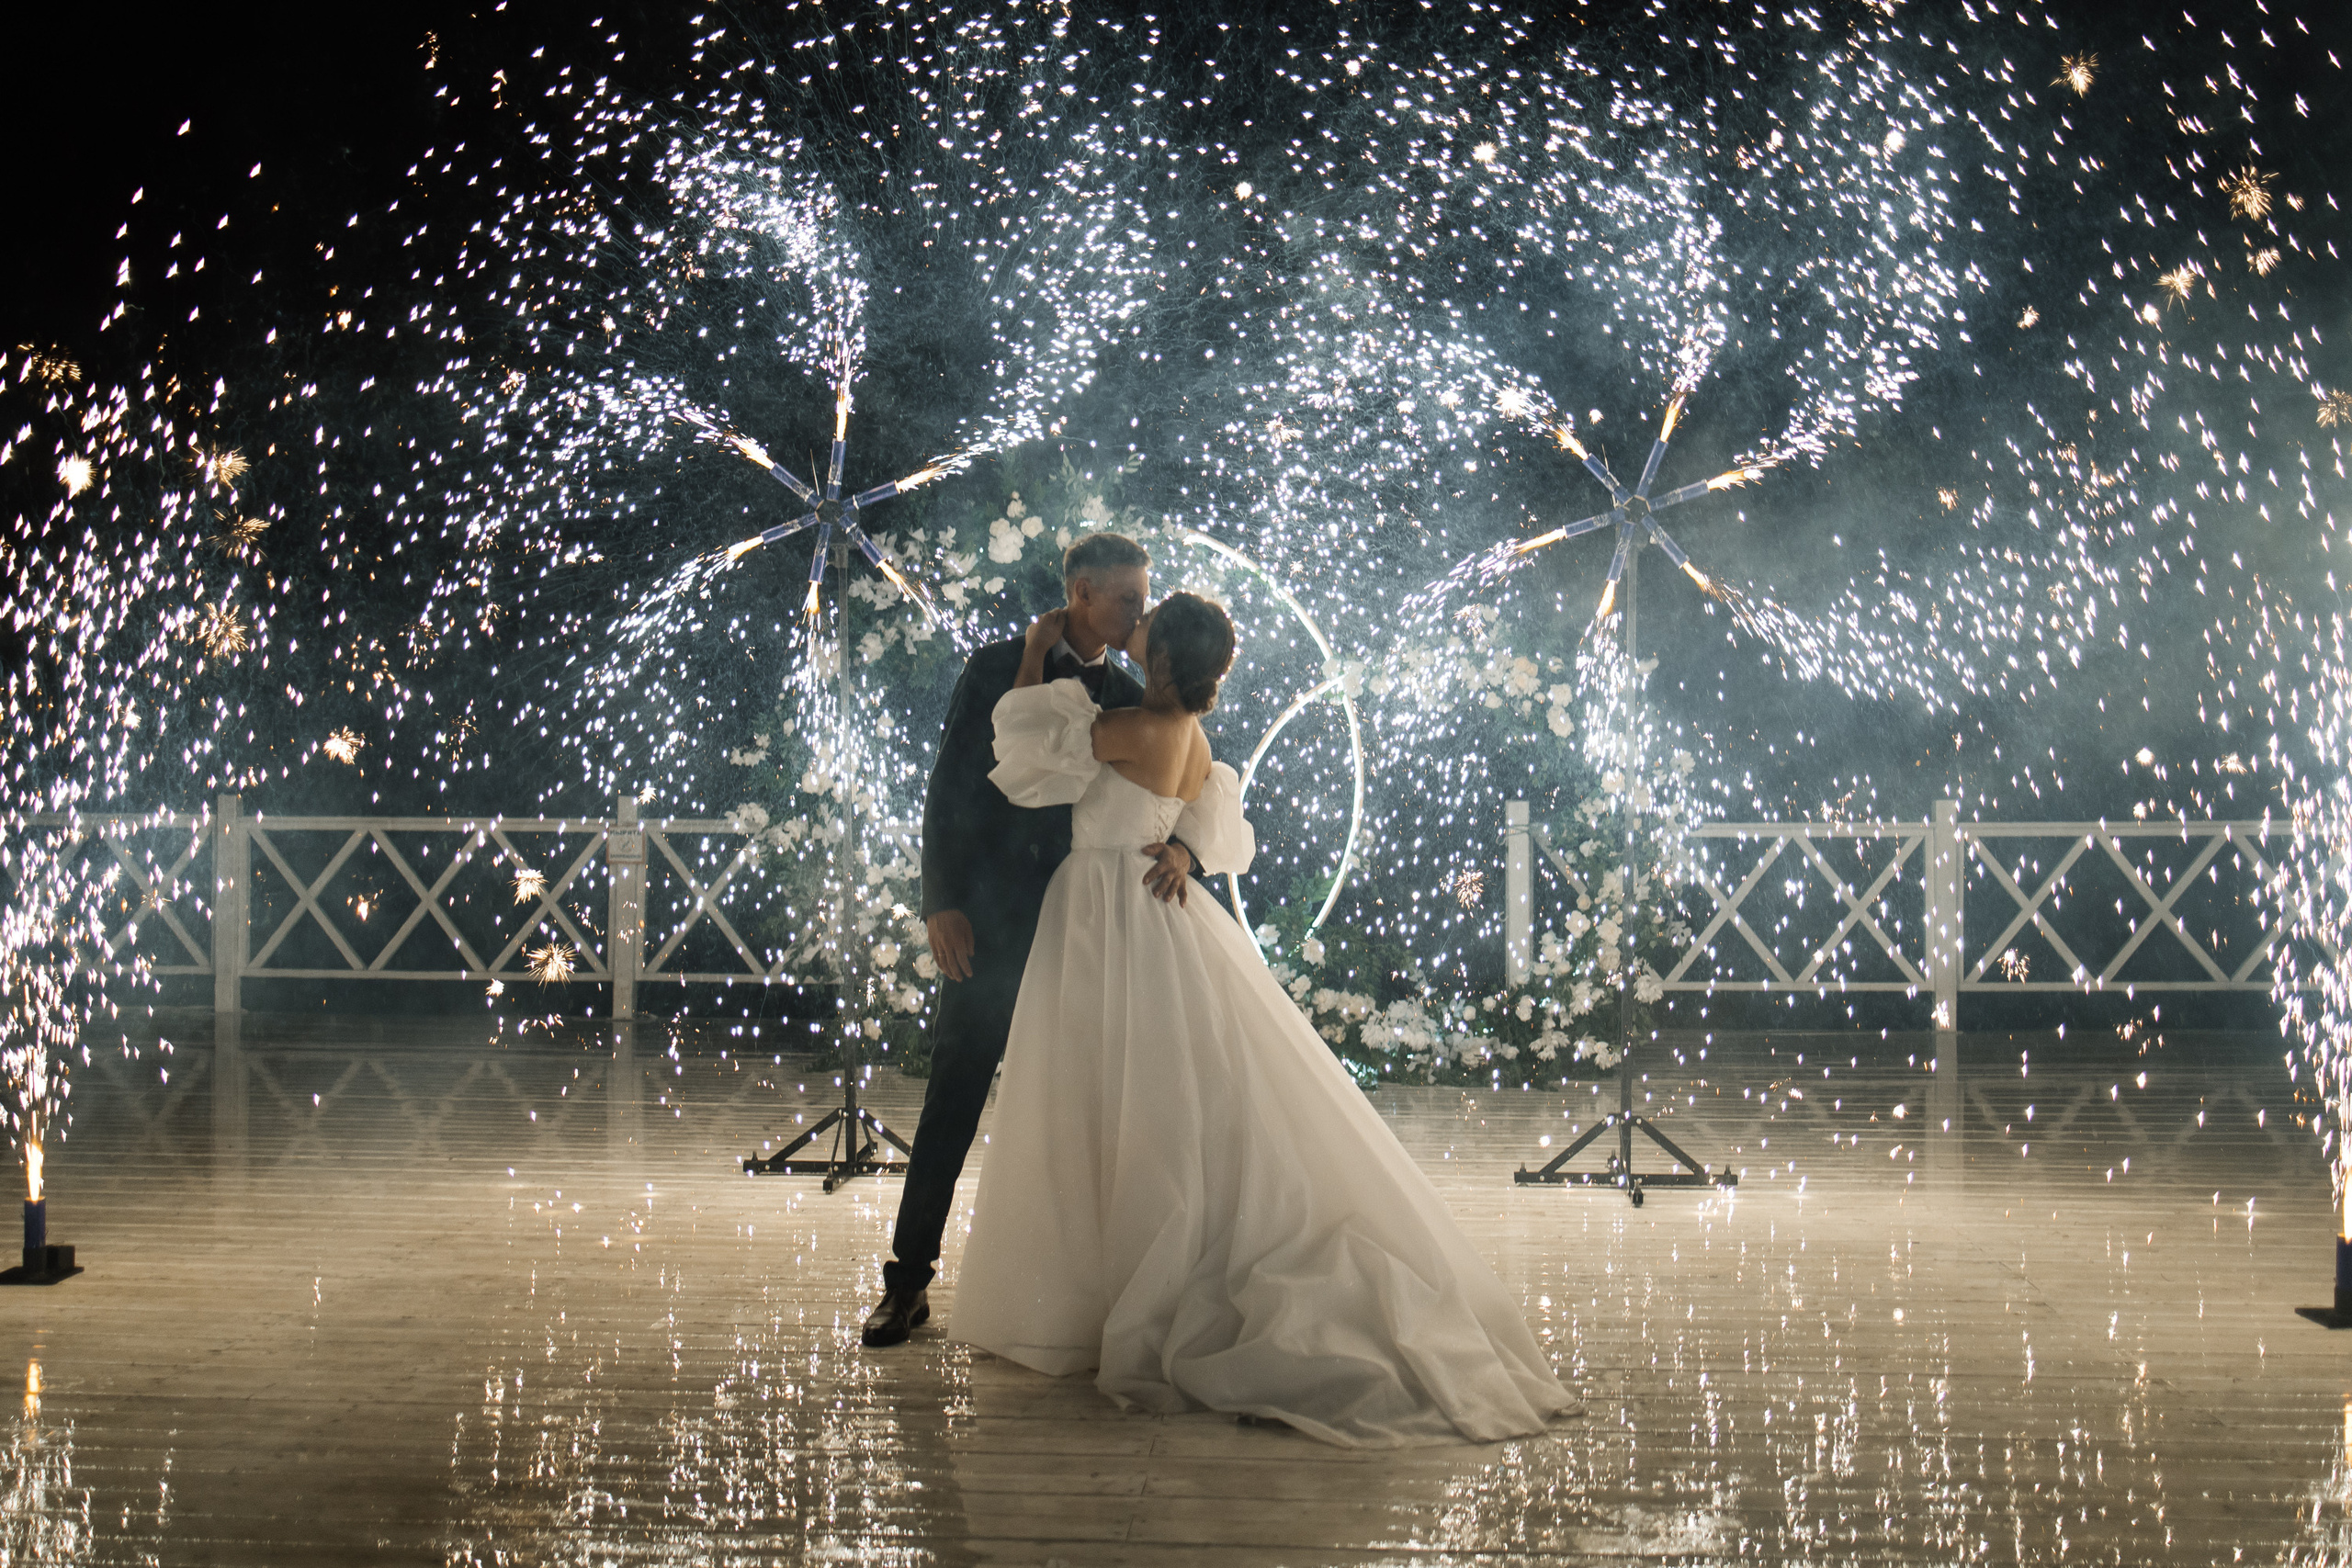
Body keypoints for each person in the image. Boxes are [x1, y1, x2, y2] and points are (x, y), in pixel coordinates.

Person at [949, 592, 1581, 1448]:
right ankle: (1114, 1280)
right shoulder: (1194, 737)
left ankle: (1107, 1293)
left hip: (1107, 915)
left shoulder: (1129, 726)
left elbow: (1022, 748)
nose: (1134, 626)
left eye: (1146, 625)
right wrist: (1184, 848)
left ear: (1163, 657)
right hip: (1153, 913)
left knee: (1106, 1098)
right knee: (1151, 1099)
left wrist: (1033, 653)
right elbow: (1212, 818)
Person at [861, 534, 1198, 1348]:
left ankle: (1083, 1295)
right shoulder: (992, 668)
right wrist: (942, 901)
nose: (1141, 611)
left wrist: (1185, 849)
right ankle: (906, 1282)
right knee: (955, 1094)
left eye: (1144, 597)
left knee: (1088, 1110)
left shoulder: (1132, 694)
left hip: (1093, 933)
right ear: (1082, 592)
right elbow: (948, 789)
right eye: (1128, 597)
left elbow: (1187, 784)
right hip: (991, 921)